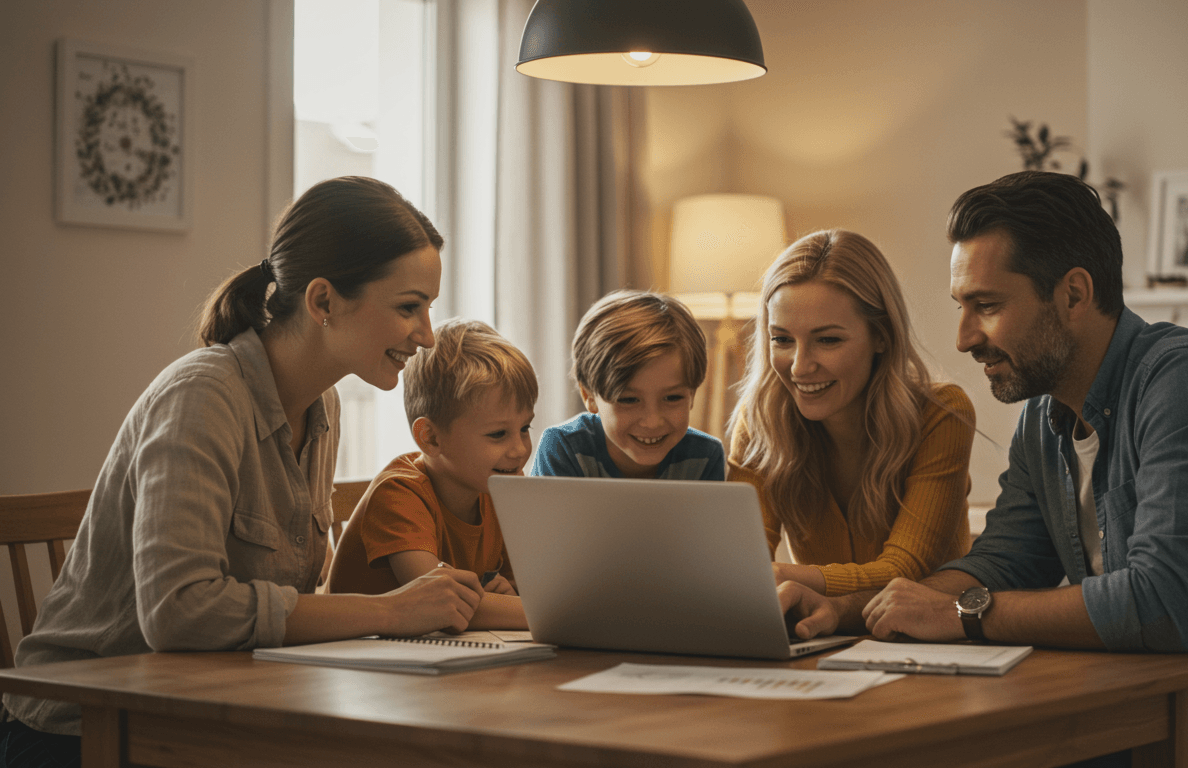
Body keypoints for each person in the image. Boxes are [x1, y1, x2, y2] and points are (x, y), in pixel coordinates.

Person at [779, 173, 1188, 767]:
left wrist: (966, 615)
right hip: (1146, 721)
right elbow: (1002, 562)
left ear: (1073, 294)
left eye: (986, 306)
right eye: (962, 307)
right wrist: (850, 610)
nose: (964, 338)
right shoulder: (1044, 418)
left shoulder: (1187, 382)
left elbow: (1163, 602)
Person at [1, 177, 487, 765]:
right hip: (83, 732)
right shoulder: (202, 396)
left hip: (213, 707)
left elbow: (291, 595)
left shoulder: (321, 404)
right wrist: (392, 610)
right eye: (409, 307)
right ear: (323, 302)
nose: (427, 336)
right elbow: (177, 611)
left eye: (429, 308)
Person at [728, 229, 976, 597]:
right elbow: (740, 563)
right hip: (815, 635)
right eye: (782, 339)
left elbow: (902, 572)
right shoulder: (762, 418)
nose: (799, 367)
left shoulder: (941, 414)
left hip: (929, 644)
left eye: (827, 340)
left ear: (882, 337)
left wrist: (782, 575)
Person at [327, 318, 531, 630]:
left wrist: (508, 593)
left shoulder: (498, 490)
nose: (519, 450)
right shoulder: (399, 494)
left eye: (525, 428)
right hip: (357, 659)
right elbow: (441, 603)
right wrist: (556, 615)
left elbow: (527, 591)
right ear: (431, 438)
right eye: (498, 434)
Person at [531, 290, 725, 481]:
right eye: (629, 400)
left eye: (672, 397)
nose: (652, 422)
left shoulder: (705, 457)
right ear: (589, 396)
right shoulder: (564, 448)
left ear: (692, 394)